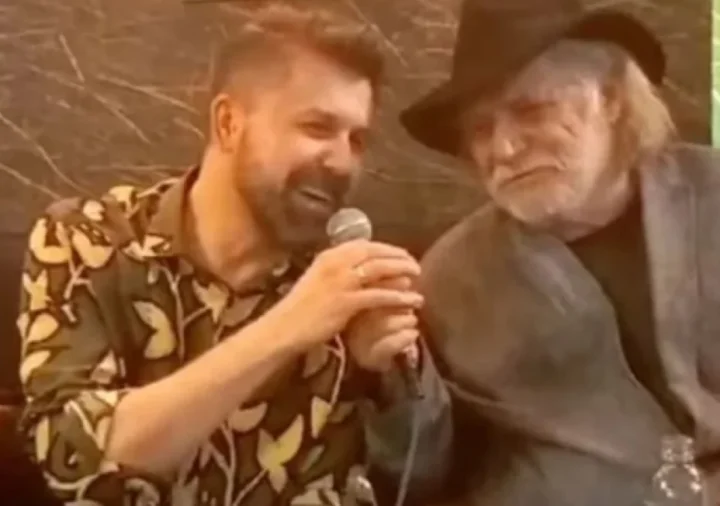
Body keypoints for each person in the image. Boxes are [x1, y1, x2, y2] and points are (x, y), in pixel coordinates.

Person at [15, 4, 451, 505]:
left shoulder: (348, 278)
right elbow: (70, 458)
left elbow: (428, 476)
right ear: (227, 124)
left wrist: (386, 384)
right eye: (317, 127)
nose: (342, 162)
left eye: (357, 140)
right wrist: (291, 324)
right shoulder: (87, 240)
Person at [396, 0, 720, 504]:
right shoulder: (451, 280)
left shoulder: (711, 194)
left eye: (531, 110)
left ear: (611, 99)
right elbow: (416, 469)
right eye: (480, 130)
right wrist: (393, 377)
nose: (503, 149)